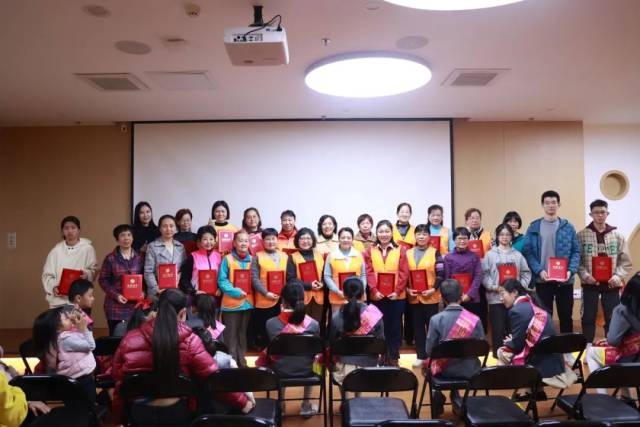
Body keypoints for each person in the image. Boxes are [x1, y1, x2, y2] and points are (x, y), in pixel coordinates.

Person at [112, 289, 253, 424]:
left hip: (138, 413)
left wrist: (117, 416)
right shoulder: (191, 341)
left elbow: (118, 380)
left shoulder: (129, 339)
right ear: (183, 313)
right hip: (177, 413)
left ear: (157, 310)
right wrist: (243, 402)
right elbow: (211, 377)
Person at [497, 279, 575, 388]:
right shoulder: (536, 305)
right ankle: (536, 392)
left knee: (502, 352)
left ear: (514, 292)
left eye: (502, 294)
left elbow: (518, 345)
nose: (500, 298)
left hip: (539, 364)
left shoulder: (516, 311)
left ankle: (506, 386)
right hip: (556, 363)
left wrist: (510, 342)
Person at [425, 279, 485, 416]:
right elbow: (482, 348)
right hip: (471, 371)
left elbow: (429, 351)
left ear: (441, 297)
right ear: (462, 295)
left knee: (427, 366)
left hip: (444, 372)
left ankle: (437, 393)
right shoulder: (474, 319)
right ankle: (455, 396)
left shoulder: (436, 319)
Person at [523, 190, 581, 333]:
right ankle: (546, 345)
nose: (551, 205)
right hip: (543, 279)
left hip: (565, 281)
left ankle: (567, 345)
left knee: (566, 317)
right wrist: (539, 271)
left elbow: (576, 252)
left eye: (554, 202)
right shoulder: (533, 227)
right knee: (544, 317)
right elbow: (528, 252)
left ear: (559, 204)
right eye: (547, 203)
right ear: (542, 205)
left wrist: (570, 271)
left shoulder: (568, 227)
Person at [577, 199, 633, 345]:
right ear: (591, 214)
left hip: (611, 284)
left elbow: (626, 261)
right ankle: (587, 347)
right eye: (596, 212)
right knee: (588, 317)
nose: (600, 215)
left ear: (607, 213)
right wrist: (585, 276)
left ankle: (612, 347)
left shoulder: (617, 235)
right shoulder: (581, 235)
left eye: (603, 212)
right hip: (590, 284)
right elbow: (577, 261)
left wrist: (618, 277)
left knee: (612, 317)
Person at [265, 284, 321, 418]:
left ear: (283, 300)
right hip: (308, 370)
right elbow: (315, 353)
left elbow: (272, 352)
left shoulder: (270, 323)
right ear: (303, 299)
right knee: (315, 360)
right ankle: (306, 405)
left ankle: (281, 406)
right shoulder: (314, 324)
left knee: (279, 358)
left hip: (279, 371)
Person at [585, 273, 640, 396]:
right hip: (636, 360)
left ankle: (603, 397)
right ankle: (626, 397)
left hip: (628, 364)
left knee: (591, 353)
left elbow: (613, 341)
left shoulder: (622, 310)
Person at [363, 220, 409, 365]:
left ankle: (393, 356)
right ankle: (381, 355)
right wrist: (374, 290)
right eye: (381, 231)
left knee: (394, 327)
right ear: (376, 233)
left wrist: (398, 291)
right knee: (377, 327)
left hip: (396, 297)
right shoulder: (369, 250)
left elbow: (404, 272)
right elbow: (369, 272)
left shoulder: (401, 249)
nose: (384, 234)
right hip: (376, 296)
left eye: (387, 231)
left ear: (392, 233)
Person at [482, 223, 532, 356]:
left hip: (514, 301)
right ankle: (498, 359)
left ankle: (514, 358)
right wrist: (494, 287)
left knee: (514, 330)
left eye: (508, 234)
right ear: (497, 236)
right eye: (502, 234)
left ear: (512, 237)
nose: (505, 237)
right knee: (497, 331)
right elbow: (484, 274)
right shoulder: (490, 255)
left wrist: (519, 288)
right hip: (496, 299)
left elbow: (526, 273)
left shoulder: (518, 255)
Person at [32, 306, 97, 405]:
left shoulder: (63, 336)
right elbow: (91, 345)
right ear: (58, 328)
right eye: (66, 318)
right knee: (86, 406)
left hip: (75, 380)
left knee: (77, 407)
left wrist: (79, 327)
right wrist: (85, 329)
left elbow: (80, 339)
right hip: (80, 380)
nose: (70, 318)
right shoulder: (64, 339)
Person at [329, 277, 384, 384]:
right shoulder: (375, 314)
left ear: (344, 295)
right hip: (371, 369)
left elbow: (332, 346)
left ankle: (346, 394)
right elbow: (381, 342)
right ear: (363, 294)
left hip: (344, 371)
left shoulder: (337, 317)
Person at [406, 224, 445, 367]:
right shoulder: (408, 253)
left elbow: (441, 274)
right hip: (414, 297)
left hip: (431, 297)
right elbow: (404, 274)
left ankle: (434, 357)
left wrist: (433, 289)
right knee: (418, 328)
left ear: (429, 237)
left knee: (432, 329)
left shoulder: (435, 253)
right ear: (414, 236)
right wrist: (407, 289)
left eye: (424, 234)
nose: (421, 236)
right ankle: (420, 356)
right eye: (419, 234)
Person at [42, 216, 98, 308]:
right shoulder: (55, 251)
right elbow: (47, 275)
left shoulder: (87, 249)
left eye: (73, 227)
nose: (70, 231)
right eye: (66, 228)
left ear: (79, 230)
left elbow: (94, 270)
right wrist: (53, 287)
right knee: (60, 318)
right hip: (59, 301)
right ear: (62, 231)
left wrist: (87, 274)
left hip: (80, 300)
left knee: (79, 318)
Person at [99, 224, 145, 335]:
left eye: (129, 235)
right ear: (117, 239)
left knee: (135, 339)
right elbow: (103, 280)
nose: (126, 238)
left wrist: (143, 292)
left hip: (136, 306)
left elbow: (145, 277)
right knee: (116, 339)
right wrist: (116, 295)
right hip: (116, 307)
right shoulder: (110, 258)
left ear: (133, 238)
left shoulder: (140, 257)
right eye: (122, 235)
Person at [218, 231, 254, 366]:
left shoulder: (253, 259)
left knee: (242, 335)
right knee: (231, 336)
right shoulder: (227, 259)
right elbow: (222, 281)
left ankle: (242, 363)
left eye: (246, 241)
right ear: (234, 243)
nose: (243, 243)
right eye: (240, 241)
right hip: (231, 304)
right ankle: (231, 364)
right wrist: (235, 292)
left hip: (248, 303)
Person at [250, 228, 287, 349]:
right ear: (262, 241)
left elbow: (289, 277)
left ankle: (279, 353)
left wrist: (285, 294)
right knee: (265, 329)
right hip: (264, 299)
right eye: (267, 239)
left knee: (281, 329)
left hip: (282, 300)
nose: (271, 242)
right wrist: (266, 293)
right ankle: (266, 355)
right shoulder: (257, 256)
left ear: (277, 240)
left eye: (273, 239)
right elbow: (254, 279)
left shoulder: (285, 256)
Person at [444, 227, 483, 325]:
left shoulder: (475, 256)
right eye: (459, 238)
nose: (462, 241)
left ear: (469, 239)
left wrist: (469, 295)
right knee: (454, 329)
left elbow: (478, 276)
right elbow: (447, 279)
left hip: (472, 299)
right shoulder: (448, 257)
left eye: (465, 238)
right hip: (454, 300)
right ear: (454, 240)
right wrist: (454, 297)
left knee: (471, 328)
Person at [286, 228, 325, 323]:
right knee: (301, 325)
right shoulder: (292, 257)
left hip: (318, 297)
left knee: (316, 324)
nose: (305, 241)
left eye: (308, 238)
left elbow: (325, 276)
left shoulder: (320, 255)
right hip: (300, 298)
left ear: (313, 240)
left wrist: (322, 284)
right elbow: (291, 279)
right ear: (297, 240)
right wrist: (309, 285)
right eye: (302, 238)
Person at [325, 227, 367, 313]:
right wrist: (337, 291)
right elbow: (327, 276)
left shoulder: (359, 255)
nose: (346, 240)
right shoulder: (331, 255)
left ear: (352, 239)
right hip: (337, 297)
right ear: (339, 239)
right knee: (338, 320)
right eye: (343, 237)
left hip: (357, 297)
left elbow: (363, 275)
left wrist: (360, 290)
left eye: (348, 238)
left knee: (358, 321)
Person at [144, 215, 187, 299]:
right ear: (160, 228)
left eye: (171, 226)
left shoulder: (180, 246)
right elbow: (148, 272)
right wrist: (156, 288)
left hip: (176, 288)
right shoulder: (152, 246)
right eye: (164, 226)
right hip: (158, 291)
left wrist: (179, 277)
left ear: (176, 228)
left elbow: (184, 268)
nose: (168, 229)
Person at [179, 225, 221, 299]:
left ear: (215, 241)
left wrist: (220, 289)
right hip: (198, 295)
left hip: (216, 294)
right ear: (200, 241)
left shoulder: (219, 256)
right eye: (205, 239)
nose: (208, 242)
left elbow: (223, 277)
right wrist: (193, 291)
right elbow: (184, 279)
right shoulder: (193, 256)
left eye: (211, 239)